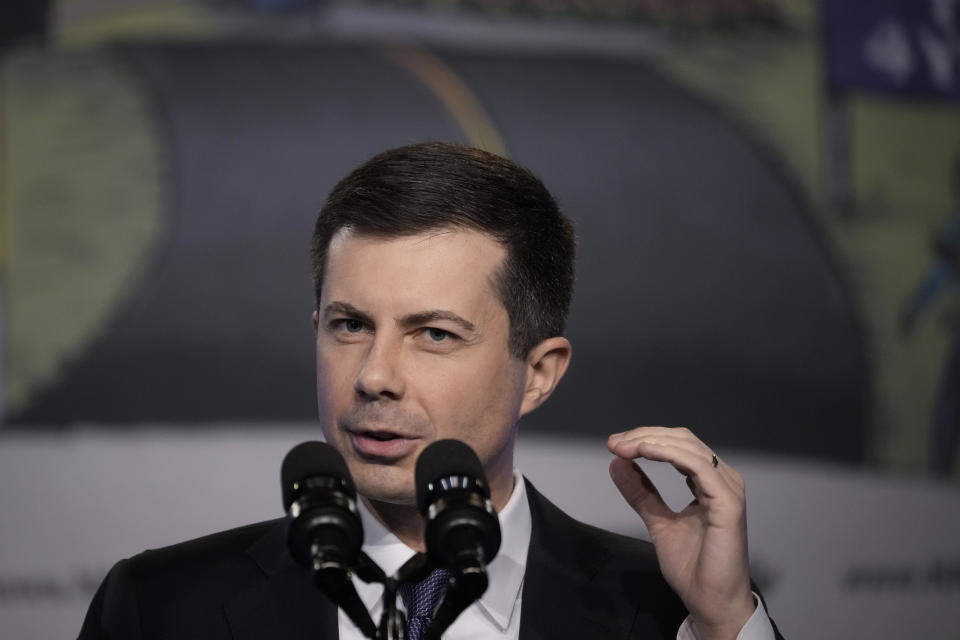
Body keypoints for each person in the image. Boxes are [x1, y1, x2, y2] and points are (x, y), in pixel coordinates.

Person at [79, 142, 782, 639]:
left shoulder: (665, 613)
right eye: (349, 324)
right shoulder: (160, 609)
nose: (375, 376)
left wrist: (723, 625)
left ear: (538, 374)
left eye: (435, 334)